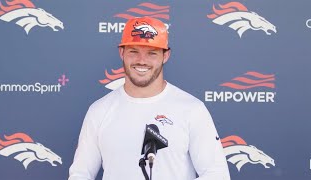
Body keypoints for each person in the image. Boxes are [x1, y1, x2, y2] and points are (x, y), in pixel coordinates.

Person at [69, 16, 230, 180]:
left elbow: (216, 174)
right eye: (134, 51)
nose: (142, 60)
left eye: (152, 53)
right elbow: (80, 174)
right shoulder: (99, 110)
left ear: (165, 56)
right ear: (122, 53)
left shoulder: (192, 109)